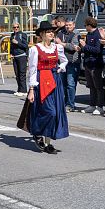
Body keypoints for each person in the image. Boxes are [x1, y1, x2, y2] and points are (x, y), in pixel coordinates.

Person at [28, 21, 69, 154]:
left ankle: (48, 143)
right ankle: (37, 131)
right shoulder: (35, 49)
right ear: (42, 34)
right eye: (48, 31)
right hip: (41, 81)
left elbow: (64, 60)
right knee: (48, 112)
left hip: (54, 81)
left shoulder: (57, 48)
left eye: (53, 31)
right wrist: (32, 89)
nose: (52, 33)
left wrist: (60, 67)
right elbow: (32, 70)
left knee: (55, 113)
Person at [79, 17, 104, 115]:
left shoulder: (98, 34)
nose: (85, 27)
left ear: (89, 25)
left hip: (95, 64)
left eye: (85, 25)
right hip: (88, 63)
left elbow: (97, 50)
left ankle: (100, 106)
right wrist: (81, 48)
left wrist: (85, 46)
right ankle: (92, 105)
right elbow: (87, 49)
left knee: (98, 86)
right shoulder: (89, 35)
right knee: (91, 85)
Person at [56, 19, 81, 113]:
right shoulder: (60, 32)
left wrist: (61, 44)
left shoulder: (76, 34)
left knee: (71, 84)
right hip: (62, 62)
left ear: (74, 25)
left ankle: (71, 105)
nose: (68, 27)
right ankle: (64, 103)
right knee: (63, 84)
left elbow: (73, 47)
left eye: (70, 25)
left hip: (72, 62)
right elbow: (56, 42)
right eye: (66, 25)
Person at [10, 22, 28, 97]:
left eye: (17, 27)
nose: (16, 28)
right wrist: (11, 53)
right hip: (15, 56)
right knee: (17, 74)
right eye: (14, 27)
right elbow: (11, 46)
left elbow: (25, 45)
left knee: (22, 74)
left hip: (22, 56)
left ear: (19, 27)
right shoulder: (12, 35)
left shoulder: (23, 35)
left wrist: (17, 42)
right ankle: (19, 89)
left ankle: (24, 90)